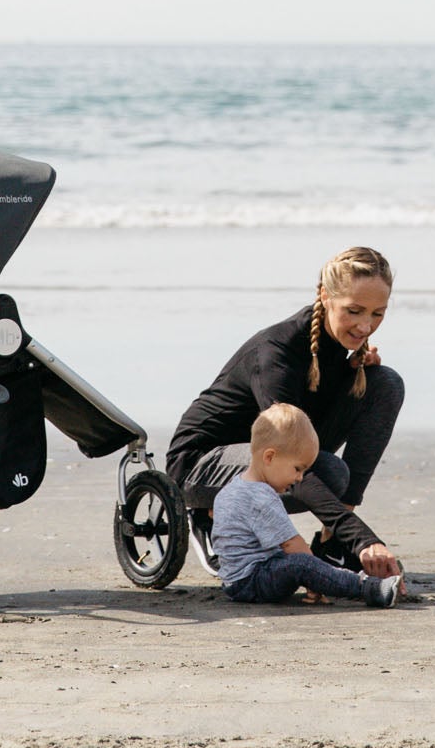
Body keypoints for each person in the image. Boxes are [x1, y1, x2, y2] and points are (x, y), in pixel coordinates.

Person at [169, 246, 404, 578]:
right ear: (325, 295)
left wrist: (350, 376)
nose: (365, 326)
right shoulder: (277, 352)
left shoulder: (339, 346)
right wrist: (364, 540)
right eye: (354, 310)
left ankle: (333, 542)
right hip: (203, 461)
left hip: (269, 456)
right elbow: (284, 451)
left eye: (377, 313)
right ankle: (214, 516)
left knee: (384, 383)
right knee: (329, 472)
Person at [212, 405, 404, 607]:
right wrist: (316, 581)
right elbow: (292, 546)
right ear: (269, 457)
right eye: (297, 468)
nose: (299, 478)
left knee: (303, 563)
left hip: (234, 582)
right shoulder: (261, 496)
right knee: (303, 564)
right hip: (253, 581)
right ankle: (369, 588)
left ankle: (363, 576)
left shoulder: (231, 488)